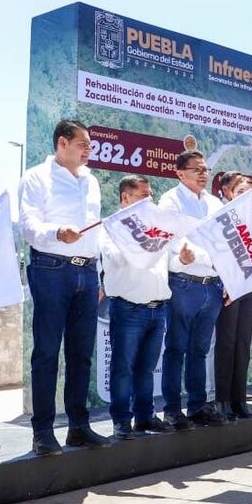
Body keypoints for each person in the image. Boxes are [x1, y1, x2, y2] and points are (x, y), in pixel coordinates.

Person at [19, 119, 110, 456]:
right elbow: (28, 225)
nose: (88, 151)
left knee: (81, 354)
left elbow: (96, 233)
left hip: (87, 271)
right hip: (51, 268)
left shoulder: (91, 181)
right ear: (62, 143)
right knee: (46, 352)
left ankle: (78, 427)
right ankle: (43, 432)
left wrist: (99, 274)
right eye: (83, 144)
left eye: (90, 145)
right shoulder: (36, 177)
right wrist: (57, 232)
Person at [101, 175, 174, 440]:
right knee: (123, 367)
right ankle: (121, 420)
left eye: (151, 194)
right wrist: (140, 243)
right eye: (144, 195)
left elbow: (170, 258)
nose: (149, 199)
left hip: (158, 307)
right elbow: (116, 258)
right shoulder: (111, 227)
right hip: (129, 308)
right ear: (125, 197)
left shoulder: (156, 226)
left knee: (147, 368)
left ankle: (145, 416)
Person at [158, 150, 227, 429]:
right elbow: (171, 241)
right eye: (196, 169)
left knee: (200, 350)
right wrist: (194, 257)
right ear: (180, 173)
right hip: (184, 284)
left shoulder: (214, 203)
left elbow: (223, 242)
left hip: (212, 285)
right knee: (176, 348)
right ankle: (172, 409)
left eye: (205, 169)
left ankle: (198, 405)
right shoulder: (171, 200)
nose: (203, 174)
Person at [213, 176, 252, 420]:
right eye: (241, 191)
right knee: (226, 343)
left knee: (243, 343)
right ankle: (222, 400)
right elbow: (217, 253)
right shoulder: (223, 217)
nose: (247, 195)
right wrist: (225, 281)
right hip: (229, 288)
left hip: (250, 288)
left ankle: (239, 399)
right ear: (230, 193)